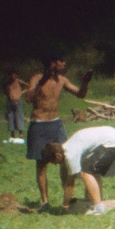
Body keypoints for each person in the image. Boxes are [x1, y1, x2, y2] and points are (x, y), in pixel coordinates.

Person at [23, 55, 94, 207]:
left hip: (55, 124)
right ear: (53, 63)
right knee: (41, 164)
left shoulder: (62, 80)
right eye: (61, 61)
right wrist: (41, 82)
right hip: (39, 124)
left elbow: (80, 94)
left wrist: (85, 82)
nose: (64, 63)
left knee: (65, 158)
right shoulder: (37, 78)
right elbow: (28, 98)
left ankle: (68, 197)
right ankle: (45, 202)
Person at [40, 125, 115, 215]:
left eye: (54, 162)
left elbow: (70, 184)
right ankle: (94, 201)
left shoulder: (70, 155)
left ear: (58, 155)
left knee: (86, 172)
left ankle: (99, 208)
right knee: (91, 170)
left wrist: (65, 206)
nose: (56, 164)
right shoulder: (68, 146)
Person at [3, 70, 29, 142]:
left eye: (14, 75)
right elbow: (5, 92)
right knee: (10, 118)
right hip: (10, 102)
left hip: (18, 101)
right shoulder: (7, 83)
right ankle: (12, 136)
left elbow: (28, 85)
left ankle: (21, 135)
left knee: (19, 117)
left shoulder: (18, 81)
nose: (12, 76)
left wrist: (22, 92)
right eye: (11, 75)